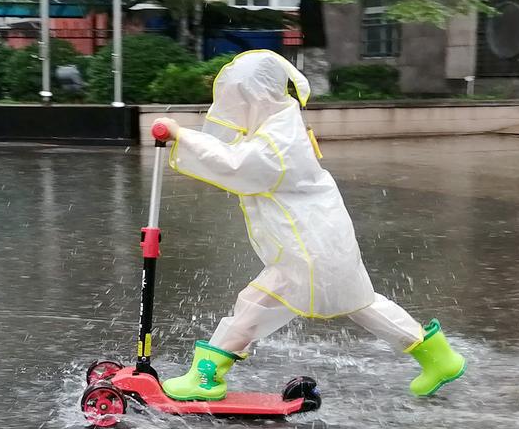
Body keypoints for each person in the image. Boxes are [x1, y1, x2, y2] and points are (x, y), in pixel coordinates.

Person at [151, 49, 465, 401]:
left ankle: (206, 377)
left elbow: (236, 165)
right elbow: (240, 158)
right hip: (316, 239)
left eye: (239, 96)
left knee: (258, 305)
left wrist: (182, 134)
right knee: (356, 300)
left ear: (256, 96)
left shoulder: (277, 139)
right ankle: (438, 357)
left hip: (308, 247)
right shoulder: (278, 124)